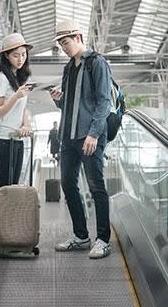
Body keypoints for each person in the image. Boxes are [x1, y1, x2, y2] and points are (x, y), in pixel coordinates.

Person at [49, 19, 112, 259]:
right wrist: (58, 99)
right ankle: (81, 236)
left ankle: (103, 240)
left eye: (66, 42)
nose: (63, 48)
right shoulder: (69, 68)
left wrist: (94, 134)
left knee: (96, 187)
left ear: (78, 38)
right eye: (61, 44)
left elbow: (104, 101)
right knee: (68, 184)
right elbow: (69, 106)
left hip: (89, 137)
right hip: (69, 137)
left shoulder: (97, 63)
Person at [0, 33, 33, 224]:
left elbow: (23, 109)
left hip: (17, 138)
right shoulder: (1, 78)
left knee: (13, 185)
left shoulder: (19, 76)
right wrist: (15, 96)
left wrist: (26, 124)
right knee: (2, 186)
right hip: (3, 139)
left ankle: (9, 226)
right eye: (16, 55)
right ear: (6, 56)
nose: (20, 59)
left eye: (23, 54)